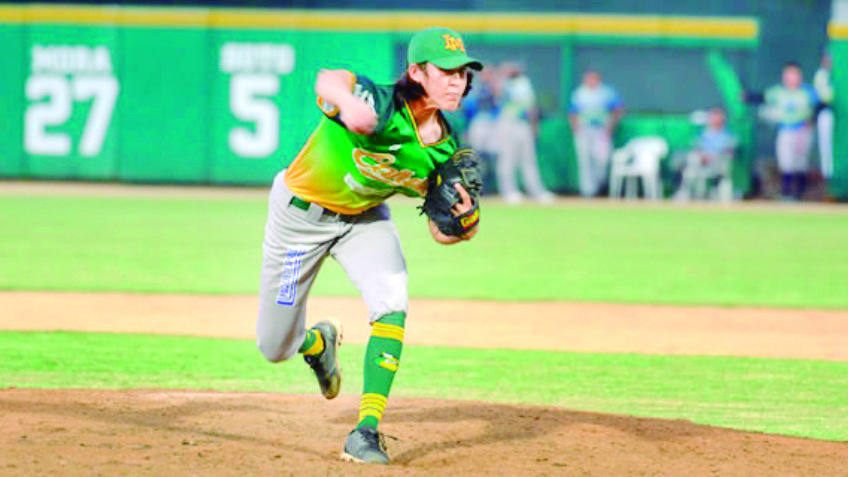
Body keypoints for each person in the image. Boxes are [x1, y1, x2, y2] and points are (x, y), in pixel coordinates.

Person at [255, 26, 482, 465]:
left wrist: (464, 225)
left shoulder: (444, 150)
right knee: (274, 346)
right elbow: (327, 78)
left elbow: (441, 231)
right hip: (299, 220)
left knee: (392, 302)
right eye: (447, 71)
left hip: (364, 219)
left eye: (464, 73)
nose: (458, 81)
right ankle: (318, 346)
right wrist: (349, 104)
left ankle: (366, 431)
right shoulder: (378, 101)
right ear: (417, 72)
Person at [493, 62, 555, 204]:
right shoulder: (503, 83)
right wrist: (502, 72)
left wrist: (535, 126)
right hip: (507, 123)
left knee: (528, 159)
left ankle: (536, 191)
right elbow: (497, 91)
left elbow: (531, 107)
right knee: (507, 159)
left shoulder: (524, 83)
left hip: (523, 124)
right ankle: (509, 191)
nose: (514, 70)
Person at [758, 62, 818, 201]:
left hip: (803, 130)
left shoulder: (807, 91)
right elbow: (762, 97)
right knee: (786, 161)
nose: (791, 77)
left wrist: (811, 121)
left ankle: (801, 193)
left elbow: (819, 107)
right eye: (788, 74)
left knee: (800, 162)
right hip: (786, 129)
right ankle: (786, 192)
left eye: (794, 74)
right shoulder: (779, 91)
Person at [568, 70, 624, 197]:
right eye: (588, 78)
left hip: (602, 131)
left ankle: (600, 187)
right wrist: (576, 129)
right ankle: (587, 191)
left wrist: (610, 128)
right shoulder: (579, 93)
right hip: (584, 129)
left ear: (599, 79)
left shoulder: (606, 92)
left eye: (593, 78)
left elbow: (618, 109)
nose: (590, 81)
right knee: (584, 160)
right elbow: (572, 113)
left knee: (602, 160)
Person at [674, 107, 738, 201]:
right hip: (701, 163)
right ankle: (685, 192)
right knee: (691, 161)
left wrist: (713, 156)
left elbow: (731, 152)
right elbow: (696, 148)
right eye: (712, 117)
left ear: (723, 119)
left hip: (718, 164)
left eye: (717, 117)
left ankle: (715, 193)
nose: (714, 119)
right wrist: (702, 155)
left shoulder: (729, 135)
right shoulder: (702, 134)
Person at [814, 51, 834, 188]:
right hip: (826, 112)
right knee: (826, 147)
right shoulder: (821, 75)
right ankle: (828, 181)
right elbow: (825, 97)